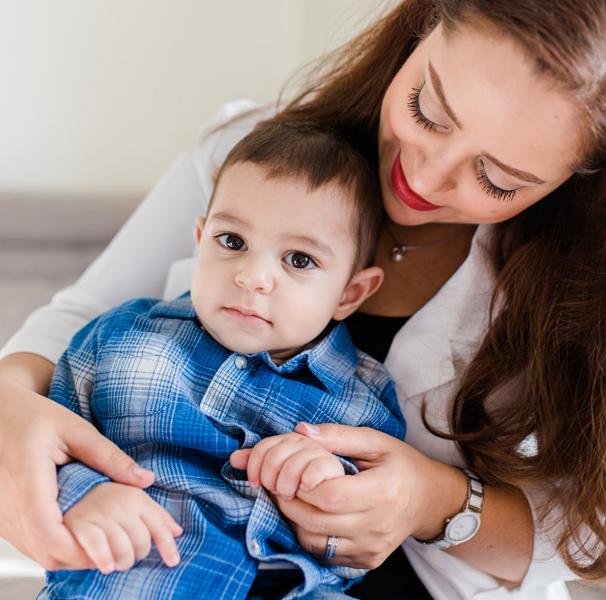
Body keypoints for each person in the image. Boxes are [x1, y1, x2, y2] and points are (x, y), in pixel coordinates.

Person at [0, 0, 606, 598]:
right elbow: (82, 314)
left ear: (585, 177)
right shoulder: (255, 154)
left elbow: (588, 529)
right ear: (430, 8)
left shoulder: (587, 287)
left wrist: (433, 498)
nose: (428, 178)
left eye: (498, 180)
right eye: (429, 110)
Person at [41, 121, 406, 600]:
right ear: (200, 240)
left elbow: (366, 533)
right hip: (136, 575)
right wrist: (84, 494)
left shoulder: (362, 399)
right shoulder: (118, 339)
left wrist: (326, 478)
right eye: (232, 242)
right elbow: (49, 445)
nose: (252, 276)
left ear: (350, 294)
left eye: (298, 260)